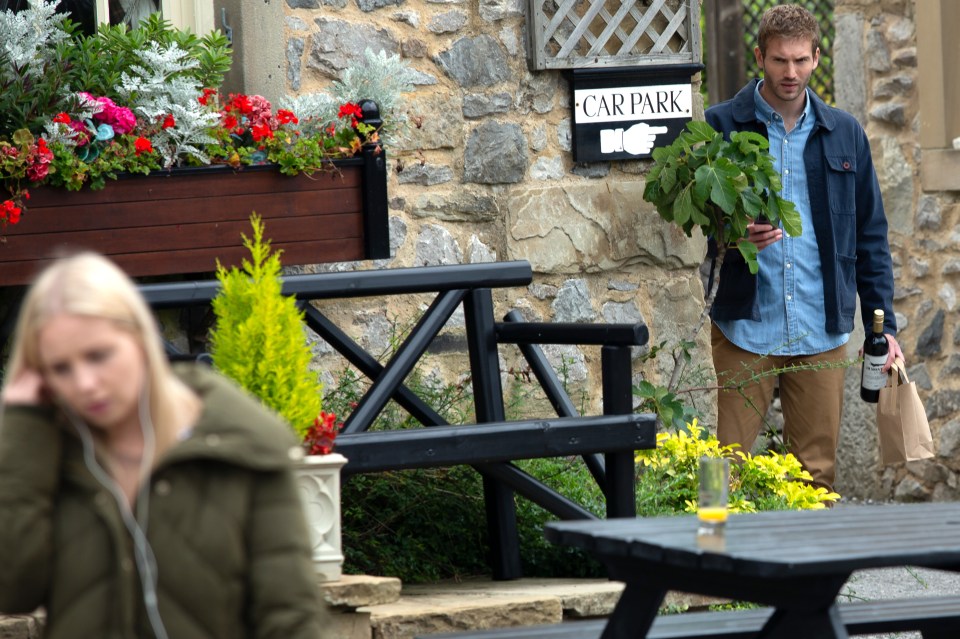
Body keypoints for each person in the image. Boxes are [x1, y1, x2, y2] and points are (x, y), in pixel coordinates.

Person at [0, 252, 330, 638]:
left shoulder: (243, 445)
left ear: (140, 338)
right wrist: (23, 425)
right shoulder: (45, 455)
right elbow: (12, 590)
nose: (85, 384)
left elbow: (291, 619)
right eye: (61, 368)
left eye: (98, 355)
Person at [704, 3, 902, 493]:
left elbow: (871, 238)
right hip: (744, 324)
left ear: (817, 57)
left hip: (821, 326)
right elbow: (692, 219)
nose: (790, 73)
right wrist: (731, 232)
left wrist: (887, 326)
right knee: (718, 466)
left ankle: (808, 571)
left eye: (800, 60)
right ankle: (704, 559)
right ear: (759, 57)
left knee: (815, 475)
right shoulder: (720, 126)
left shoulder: (846, 134)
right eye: (778, 61)